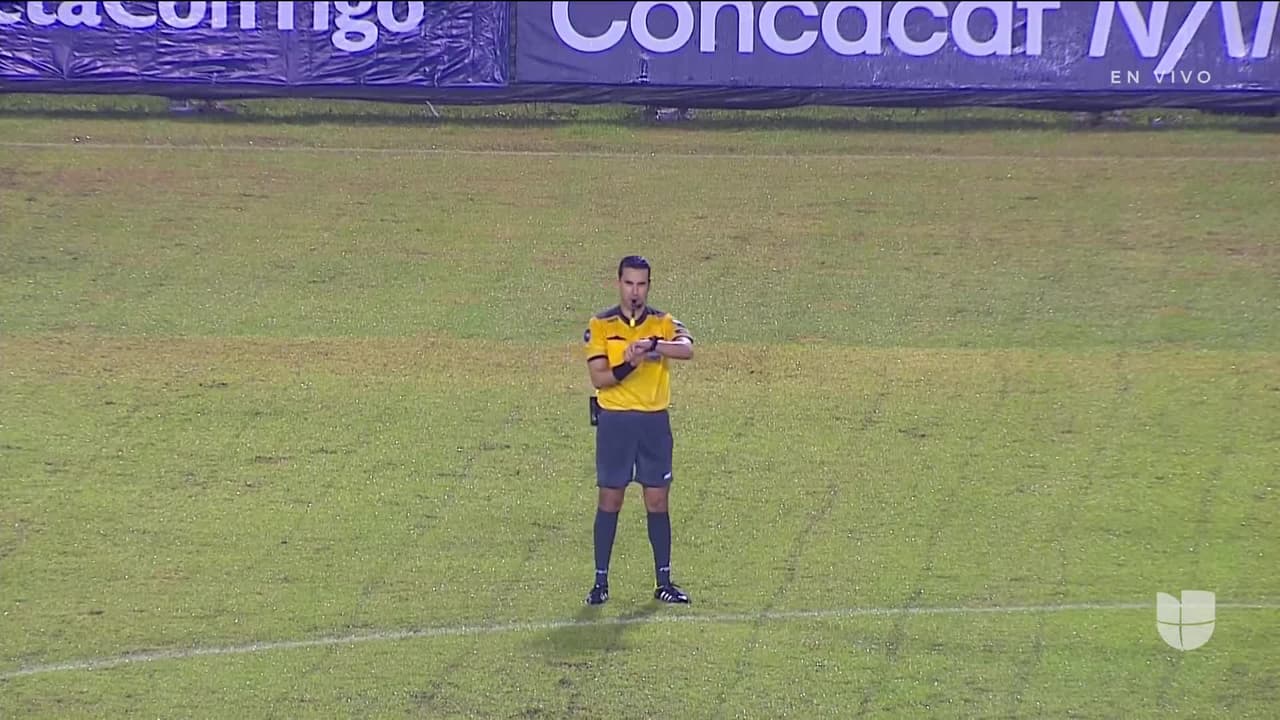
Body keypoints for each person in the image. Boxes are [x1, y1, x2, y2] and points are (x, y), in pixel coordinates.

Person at [582, 255, 694, 606]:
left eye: (641, 284)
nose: (635, 291)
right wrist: (630, 363)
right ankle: (600, 583)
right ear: (618, 283)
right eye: (629, 283)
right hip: (615, 422)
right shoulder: (601, 325)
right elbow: (599, 378)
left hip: (653, 423)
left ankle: (664, 582)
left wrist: (653, 345)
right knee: (610, 499)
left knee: (657, 500)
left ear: (649, 286)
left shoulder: (663, 323)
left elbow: (687, 349)